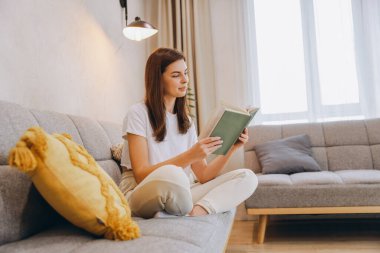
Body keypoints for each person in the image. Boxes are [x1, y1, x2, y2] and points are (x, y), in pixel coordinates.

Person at [121, 47, 258, 218]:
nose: (185, 80)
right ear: (158, 79)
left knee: (248, 177)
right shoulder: (138, 113)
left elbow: (204, 175)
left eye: (185, 73)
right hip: (142, 191)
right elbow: (141, 175)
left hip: (180, 192)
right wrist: (190, 156)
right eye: (176, 75)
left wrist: (232, 147)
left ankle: (197, 211)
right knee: (173, 175)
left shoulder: (185, 121)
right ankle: (176, 209)